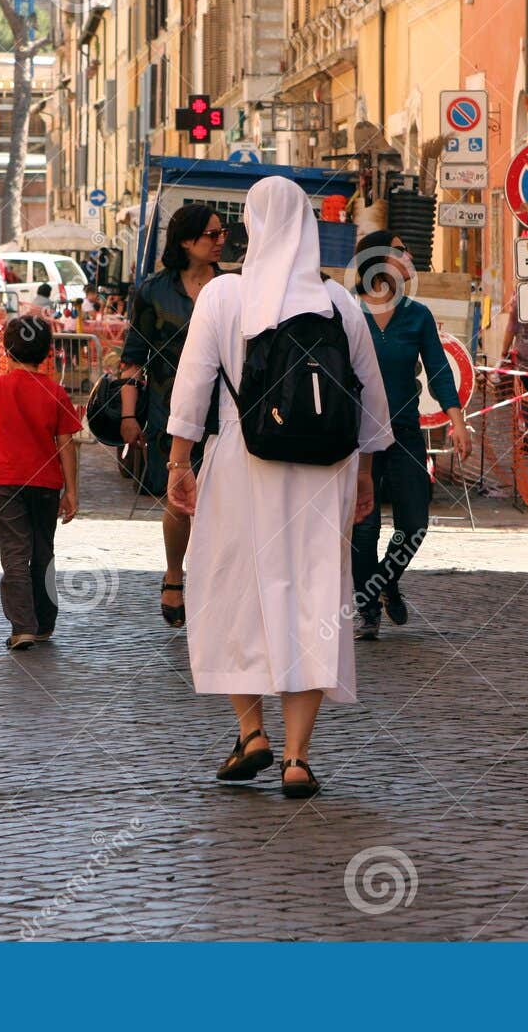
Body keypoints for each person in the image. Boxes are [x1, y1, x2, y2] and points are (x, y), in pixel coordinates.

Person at [164, 176, 392, 799]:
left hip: (243, 460)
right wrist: (367, 475)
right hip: (325, 472)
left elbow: (192, 387)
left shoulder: (224, 296)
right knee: (313, 596)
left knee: (235, 589)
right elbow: (369, 397)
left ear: (253, 227)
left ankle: (251, 732)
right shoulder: (338, 303)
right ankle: (297, 758)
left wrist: (178, 463)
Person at [348, 230, 470, 641]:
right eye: (401, 249)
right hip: (359, 436)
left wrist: (456, 419)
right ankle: (368, 608)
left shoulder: (416, 315)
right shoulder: (347, 314)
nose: (409, 254)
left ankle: (384, 582)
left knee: (414, 523)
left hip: (404, 431)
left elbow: (437, 369)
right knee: (363, 527)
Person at [118, 203, 225, 626]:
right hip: (170, 410)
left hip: (228, 412)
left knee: (221, 502)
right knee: (180, 500)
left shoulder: (233, 286)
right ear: (185, 241)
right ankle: (174, 574)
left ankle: (216, 582)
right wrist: (129, 416)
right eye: (211, 235)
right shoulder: (153, 291)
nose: (221, 241)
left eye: (222, 234)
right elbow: (133, 358)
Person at [0, 314, 81, 651]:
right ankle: (45, 622)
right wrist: (72, 491)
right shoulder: (55, 391)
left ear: (7, 350)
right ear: (47, 351)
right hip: (46, 484)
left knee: (15, 555)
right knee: (43, 552)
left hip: (6, 481)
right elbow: (67, 444)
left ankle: (22, 627)